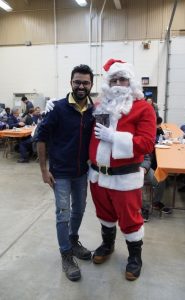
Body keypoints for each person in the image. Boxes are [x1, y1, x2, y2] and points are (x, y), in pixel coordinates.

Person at [88, 59, 156, 281]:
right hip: (98, 176)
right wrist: (57, 106)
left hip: (125, 178)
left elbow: (146, 143)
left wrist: (114, 137)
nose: (118, 83)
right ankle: (108, 245)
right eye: (114, 79)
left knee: (130, 220)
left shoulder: (143, 108)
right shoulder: (99, 107)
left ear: (131, 82)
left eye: (122, 79)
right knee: (104, 215)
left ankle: (135, 257)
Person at [37, 64, 94, 282]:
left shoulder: (93, 111)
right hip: (60, 173)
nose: (81, 86)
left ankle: (73, 240)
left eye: (85, 82)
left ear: (91, 84)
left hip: (81, 172)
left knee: (79, 209)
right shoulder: (58, 108)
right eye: (77, 82)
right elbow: (41, 138)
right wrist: (44, 170)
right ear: (71, 83)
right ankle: (66, 255)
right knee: (63, 213)